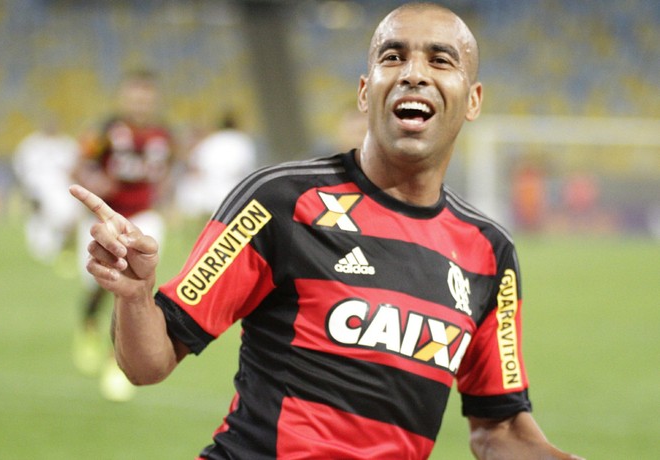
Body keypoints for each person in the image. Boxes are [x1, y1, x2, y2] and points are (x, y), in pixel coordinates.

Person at [70, 3, 583, 458]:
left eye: (440, 59)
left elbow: (501, 428)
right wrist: (136, 296)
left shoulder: (490, 254)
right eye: (393, 57)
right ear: (366, 92)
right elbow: (149, 362)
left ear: (472, 100)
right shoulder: (280, 202)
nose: (414, 74)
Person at [72, 69, 175, 401]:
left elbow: (169, 170)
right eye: (134, 96)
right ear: (124, 98)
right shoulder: (105, 130)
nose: (140, 103)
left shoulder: (164, 134)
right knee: (96, 283)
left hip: (143, 218)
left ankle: (113, 358)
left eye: (146, 97)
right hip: (106, 216)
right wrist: (94, 181)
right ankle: (88, 322)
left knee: (129, 284)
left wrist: (168, 199)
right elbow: (80, 165)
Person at [13, 118, 81, 269]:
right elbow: (21, 168)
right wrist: (27, 189)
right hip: (37, 189)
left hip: (62, 190)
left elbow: (76, 167)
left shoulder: (67, 144)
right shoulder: (30, 144)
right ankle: (39, 250)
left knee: (63, 218)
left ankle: (54, 248)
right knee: (39, 219)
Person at [174, 111, 257, 223]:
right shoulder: (241, 140)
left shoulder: (211, 141)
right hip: (234, 192)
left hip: (207, 193)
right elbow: (247, 169)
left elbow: (194, 167)